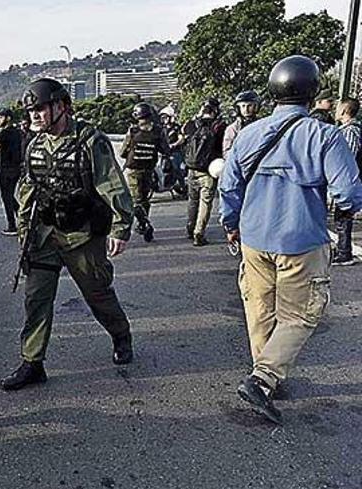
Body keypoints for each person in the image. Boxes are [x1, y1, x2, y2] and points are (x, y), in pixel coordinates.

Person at [220, 55, 362, 424]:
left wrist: (231, 224)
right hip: (301, 239)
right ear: (313, 91)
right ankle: (264, 378)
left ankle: (265, 372)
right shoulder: (325, 135)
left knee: (259, 307)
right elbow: (348, 193)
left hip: (253, 236)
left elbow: (229, 186)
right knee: (301, 313)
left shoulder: (249, 133)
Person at [0, 78, 135, 391]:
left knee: (98, 293)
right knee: (36, 299)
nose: (34, 115)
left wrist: (121, 226)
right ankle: (32, 362)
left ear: (61, 106)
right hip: (45, 234)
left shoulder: (90, 141)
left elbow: (111, 183)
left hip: (82, 234)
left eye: (40, 108)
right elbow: (28, 189)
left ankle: (120, 335)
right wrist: (24, 230)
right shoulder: (35, 144)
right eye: (31, 110)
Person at [119, 102, 170, 242]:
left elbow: (122, 152)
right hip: (148, 169)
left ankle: (144, 224)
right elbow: (165, 150)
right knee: (144, 199)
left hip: (133, 170)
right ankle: (143, 223)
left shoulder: (133, 131)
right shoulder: (157, 131)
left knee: (136, 201)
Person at [181, 98, 226, 246]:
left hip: (191, 169)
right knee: (205, 203)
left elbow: (183, 133)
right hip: (209, 170)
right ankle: (198, 233)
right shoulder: (219, 126)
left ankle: (190, 226)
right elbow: (222, 148)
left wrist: (197, 116)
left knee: (192, 200)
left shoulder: (193, 124)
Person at [333, 97, 362, 266]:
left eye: (338, 108)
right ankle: (343, 249)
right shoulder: (351, 129)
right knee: (342, 216)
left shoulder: (350, 131)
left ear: (344, 111)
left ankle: (344, 253)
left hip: (349, 180)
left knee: (343, 216)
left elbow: (348, 157)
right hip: (352, 179)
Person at [0, 108, 24, 236]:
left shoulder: (4, 133)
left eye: (1, 117)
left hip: (6, 169)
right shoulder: (17, 132)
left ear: (8, 118)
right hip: (17, 168)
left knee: (6, 197)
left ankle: (12, 225)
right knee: (10, 195)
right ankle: (21, 216)